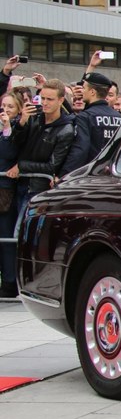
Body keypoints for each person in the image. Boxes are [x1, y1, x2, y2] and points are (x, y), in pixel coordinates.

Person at [8, 79, 76, 218]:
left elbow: (52, 166)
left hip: (39, 189)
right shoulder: (34, 117)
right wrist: (21, 123)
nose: (44, 103)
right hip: (19, 183)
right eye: (43, 98)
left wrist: (21, 165)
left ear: (61, 100)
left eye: (50, 99)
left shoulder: (66, 129)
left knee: (20, 232)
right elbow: (15, 143)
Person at [64, 73, 121, 172]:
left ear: (92, 92)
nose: (82, 91)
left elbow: (80, 149)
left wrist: (65, 174)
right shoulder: (120, 118)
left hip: (91, 173)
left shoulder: (85, 117)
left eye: (84, 88)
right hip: (114, 172)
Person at [0, 92, 20, 298]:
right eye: (3, 106)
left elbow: (8, 154)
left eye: (10, 107)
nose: (5, 111)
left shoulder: (15, 131)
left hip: (6, 192)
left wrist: (7, 128)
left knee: (6, 237)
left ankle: (9, 282)